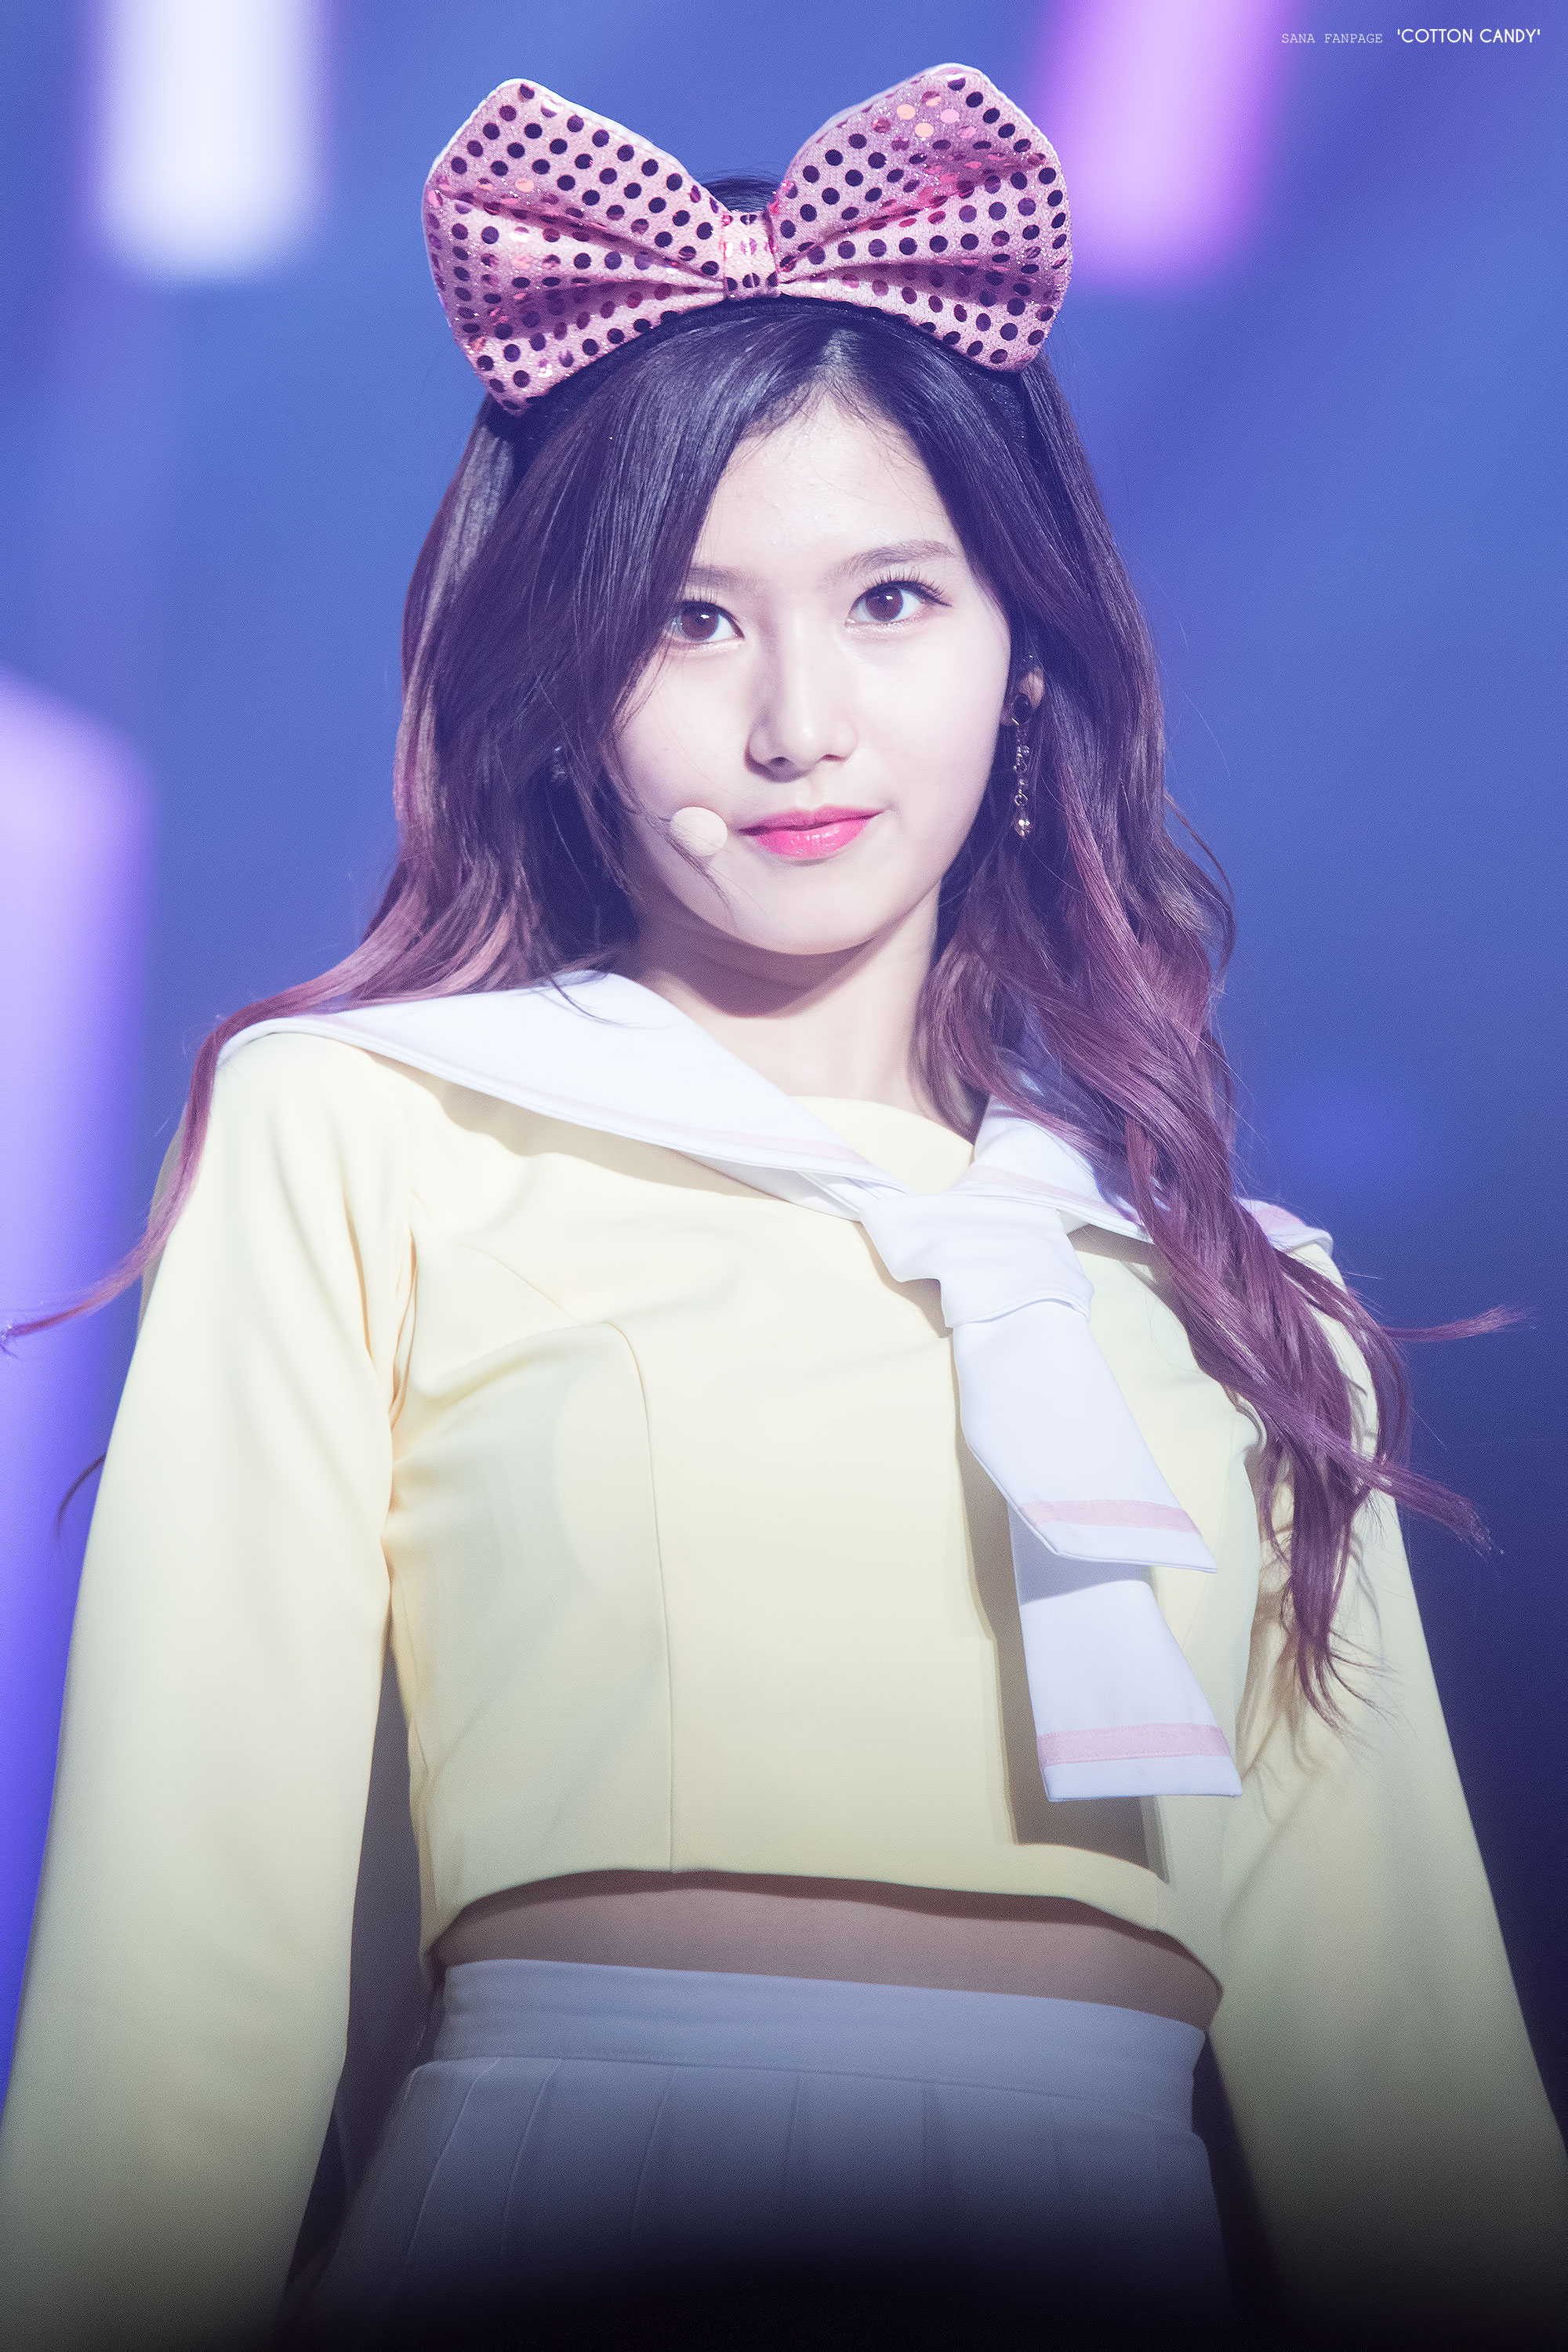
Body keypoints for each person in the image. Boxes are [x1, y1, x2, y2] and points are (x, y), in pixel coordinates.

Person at [0, 61, 1563, 2352]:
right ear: (561, 687)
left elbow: (1422, 2129)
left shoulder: (1245, 1302)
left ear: (1027, 653)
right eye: (689, 620)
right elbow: (179, 1980)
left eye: (893, 598)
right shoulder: (372, 1130)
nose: (800, 723)